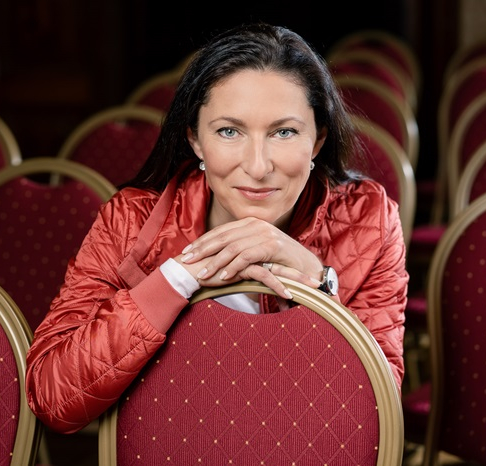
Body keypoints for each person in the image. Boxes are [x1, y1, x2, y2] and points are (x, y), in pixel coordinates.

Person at [25, 22, 408, 434]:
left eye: (284, 132)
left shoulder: (369, 220)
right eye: (229, 131)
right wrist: (177, 277)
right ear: (195, 140)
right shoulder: (131, 220)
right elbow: (52, 399)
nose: (257, 167)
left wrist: (317, 286)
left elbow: (376, 417)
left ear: (316, 141)